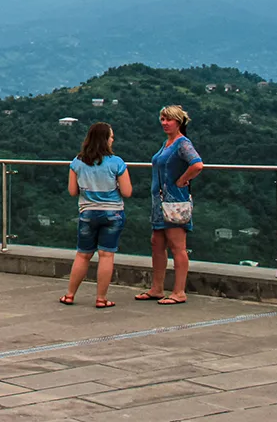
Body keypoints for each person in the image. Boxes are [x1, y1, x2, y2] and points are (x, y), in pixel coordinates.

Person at [136, 105, 204, 306]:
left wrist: (182, 180)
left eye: (169, 120)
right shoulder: (167, 143)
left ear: (179, 122)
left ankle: (179, 291)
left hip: (174, 200)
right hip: (159, 201)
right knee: (157, 242)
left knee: (177, 246)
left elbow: (197, 164)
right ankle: (157, 288)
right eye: (163, 119)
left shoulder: (182, 143)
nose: (165, 123)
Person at [60, 122, 131, 308]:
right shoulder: (117, 163)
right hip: (112, 213)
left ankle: (69, 295)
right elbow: (127, 191)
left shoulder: (77, 162)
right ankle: (101, 298)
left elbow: (72, 191)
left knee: (83, 255)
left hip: (87, 213)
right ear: (105, 139)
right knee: (106, 255)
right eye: (111, 136)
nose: (113, 140)